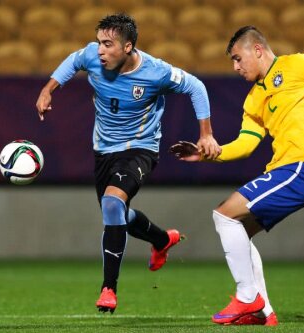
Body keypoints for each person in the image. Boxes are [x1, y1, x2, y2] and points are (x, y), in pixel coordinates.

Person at [35, 14, 221, 313]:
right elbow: (72, 61)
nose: (100, 51)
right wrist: (48, 89)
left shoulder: (156, 72)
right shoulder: (92, 56)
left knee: (112, 204)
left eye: (108, 44)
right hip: (103, 150)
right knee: (116, 213)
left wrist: (206, 134)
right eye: (98, 43)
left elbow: (196, 87)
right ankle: (162, 240)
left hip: (140, 148)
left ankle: (109, 289)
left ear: (128, 47)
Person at [170, 26, 304, 326]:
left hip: (303, 166)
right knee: (237, 228)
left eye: (238, 58)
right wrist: (208, 153)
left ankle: (247, 297)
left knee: (224, 214)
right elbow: (246, 144)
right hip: (287, 170)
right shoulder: (254, 99)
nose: (235, 67)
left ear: (257, 49)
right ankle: (262, 312)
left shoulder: (296, 64)